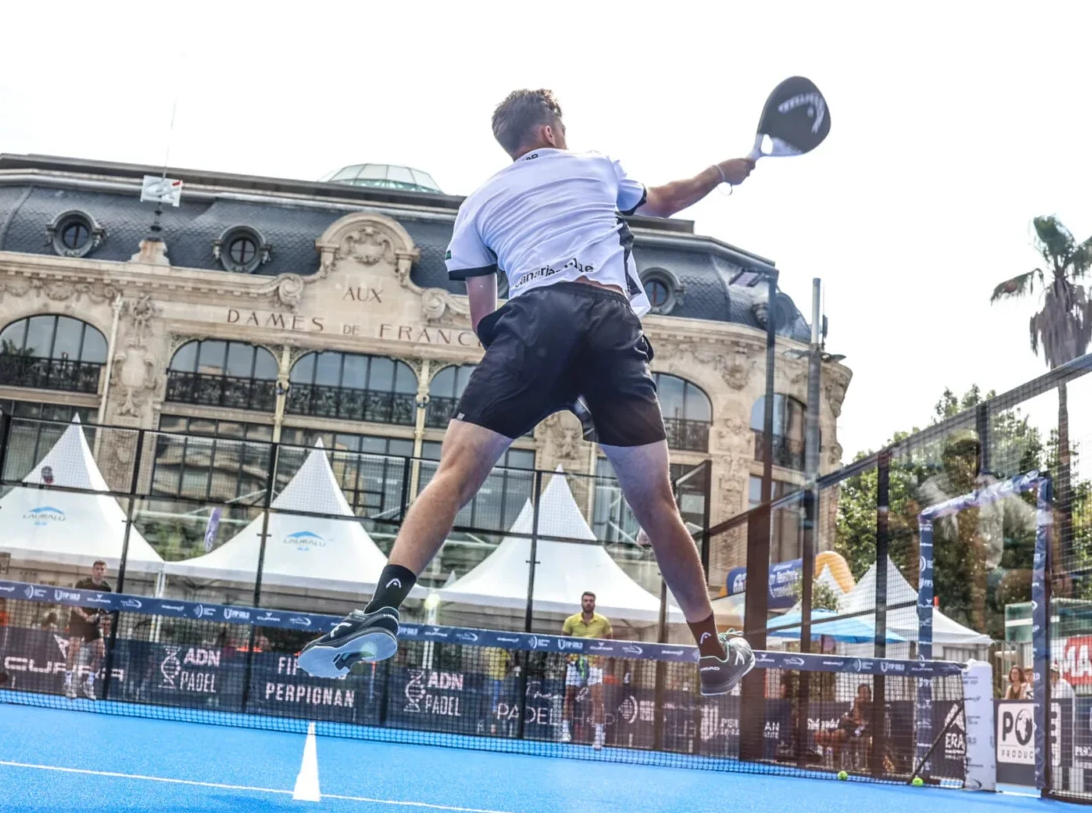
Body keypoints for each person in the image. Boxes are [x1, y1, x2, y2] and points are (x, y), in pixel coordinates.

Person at [296, 90, 758, 695]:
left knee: (455, 475)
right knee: (656, 504)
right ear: (546, 131)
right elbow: (668, 201)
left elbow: (483, 317)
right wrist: (722, 172)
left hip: (532, 322)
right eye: (560, 126)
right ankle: (711, 652)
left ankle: (383, 607)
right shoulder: (595, 165)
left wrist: (527, 366)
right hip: (610, 321)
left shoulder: (478, 204)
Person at [562, 591, 612, 746]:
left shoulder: (603, 621)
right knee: (569, 697)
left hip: (594, 665)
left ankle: (598, 737)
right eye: (585, 600)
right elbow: (562, 641)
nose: (588, 603)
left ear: (594, 603)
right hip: (575, 665)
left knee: (597, 700)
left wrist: (602, 659)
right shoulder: (571, 621)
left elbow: (610, 643)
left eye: (591, 600)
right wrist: (568, 657)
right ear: (581, 602)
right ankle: (565, 733)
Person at [65, 560, 114, 699]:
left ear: (105, 572)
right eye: (97, 568)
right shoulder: (82, 584)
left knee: (101, 652)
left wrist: (102, 622)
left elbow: (105, 609)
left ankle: (89, 683)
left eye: (102, 569)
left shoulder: (106, 588)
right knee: (74, 649)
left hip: (93, 622)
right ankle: (68, 684)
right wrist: (86, 616)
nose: (99, 571)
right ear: (92, 570)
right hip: (77, 620)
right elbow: (74, 604)